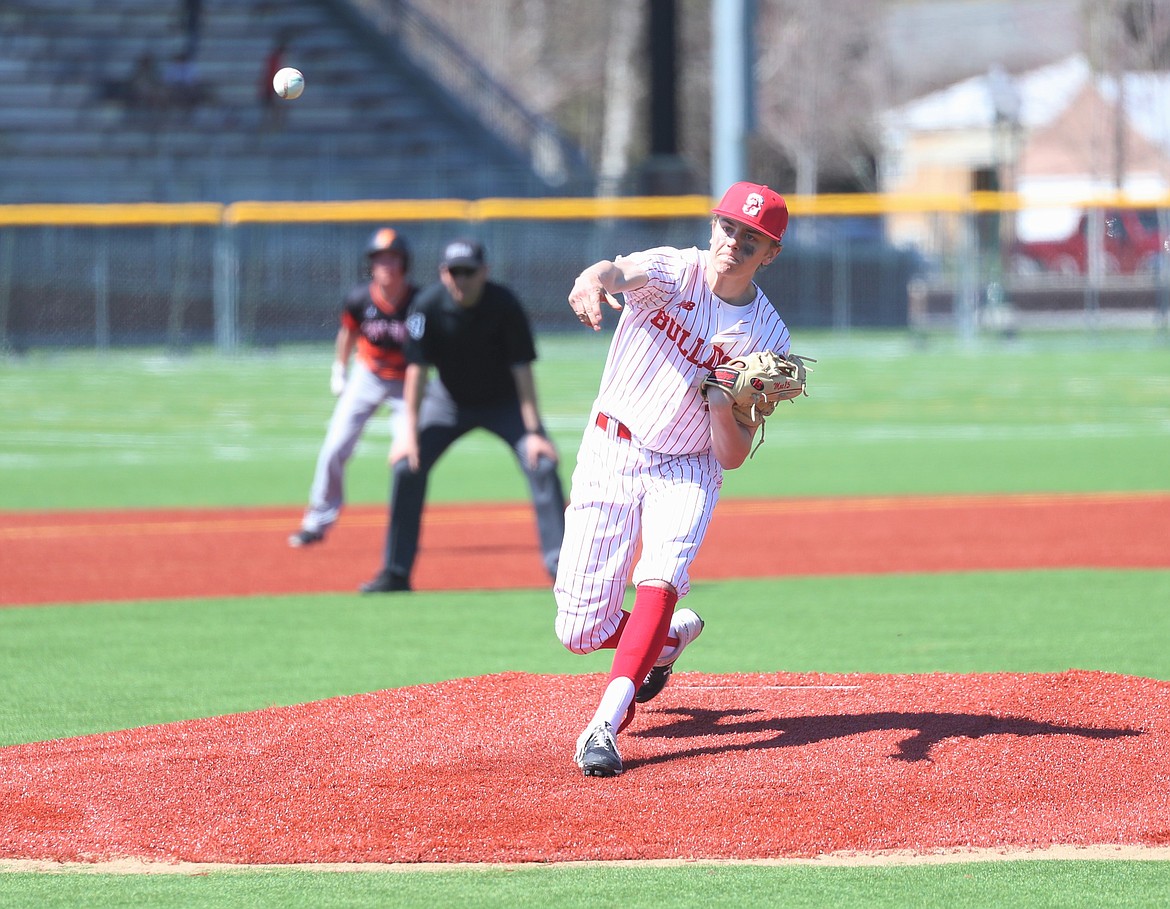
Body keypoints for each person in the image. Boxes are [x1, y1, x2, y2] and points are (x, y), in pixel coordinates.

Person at [555, 181, 795, 777]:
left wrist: (721, 402)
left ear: (771, 254)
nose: (735, 244)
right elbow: (616, 272)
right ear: (714, 226)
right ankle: (664, 641)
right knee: (579, 629)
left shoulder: (768, 337)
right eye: (730, 228)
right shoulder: (675, 271)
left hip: (688, 466)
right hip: (612, 445)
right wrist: (591, 280)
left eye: (753, 239)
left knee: (660, 576)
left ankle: (604, 724)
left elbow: (733, 456)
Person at [360, 238, 565, 593]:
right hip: (447, 401)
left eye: (469, 272)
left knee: (542, 464)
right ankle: (395, 572)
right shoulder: (426, 306)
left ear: (484, 272)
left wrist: (534, 432)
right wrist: (407, 433)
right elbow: (416, 372)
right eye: (454, 272)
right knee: (406, 465)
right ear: (442, 273)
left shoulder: (505, 305)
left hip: (505, 401)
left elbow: (522, 370)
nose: (461, 279)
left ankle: (564, 570)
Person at [289, 228, 417, 548]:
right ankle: (316, 520)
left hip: (406, 381)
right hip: (368, 374)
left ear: (404, 264)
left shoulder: (418, 301)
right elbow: (347, 334)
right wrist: (339, 370)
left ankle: (402, 534)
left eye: (392, 259)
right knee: (334, 446)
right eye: (379, 259)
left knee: (406, 457)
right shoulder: (360, 298)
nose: (385, 265)